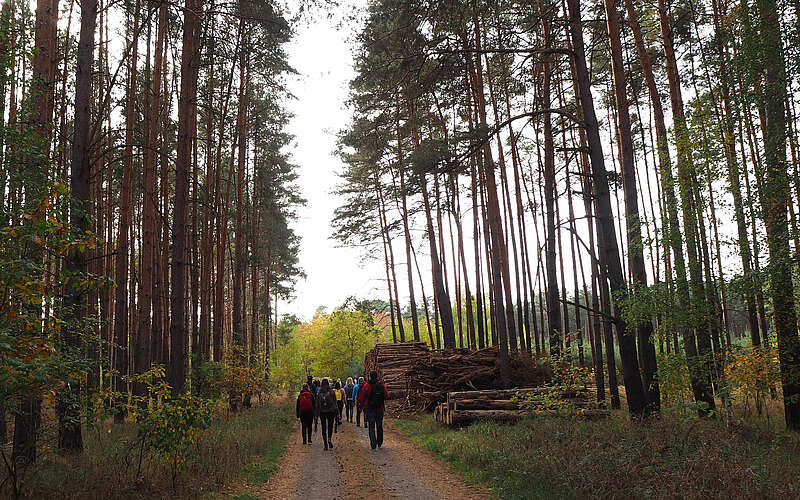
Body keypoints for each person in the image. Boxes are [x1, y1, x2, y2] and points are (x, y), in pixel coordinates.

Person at [358, 371, 388, 450]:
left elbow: (362, 397)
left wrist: (361, 406)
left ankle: (373, 443)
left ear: (370, 376)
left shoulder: (367, 386)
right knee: (379, 425)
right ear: (377, 376)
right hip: (380, 408)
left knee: (371, 426)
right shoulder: (381, 384)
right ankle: (379, 442)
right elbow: (386, 395)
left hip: (370, 409)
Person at [316, 378, 337, 450]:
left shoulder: (319, 392)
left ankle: (325, 444)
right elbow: (335, 403)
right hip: (331, 411)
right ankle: (329, 439)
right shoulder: (331, 392)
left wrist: (316, 414)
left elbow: (317, 404)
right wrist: (337, 413)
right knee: (330, 426)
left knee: (324, 428)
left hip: (322, 412)